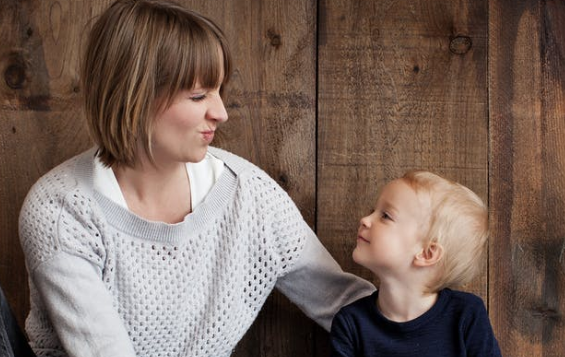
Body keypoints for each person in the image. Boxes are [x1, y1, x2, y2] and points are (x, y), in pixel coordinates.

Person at [17, 0, 375, 356]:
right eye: (199, 95)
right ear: (134, 97)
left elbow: (346, 303)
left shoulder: (249, 195)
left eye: (219, 91)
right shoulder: (60, 211)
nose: (220, 113)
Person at [330, 171, 502, 357]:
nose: (365, 220)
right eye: (373, 211)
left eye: (386, 216)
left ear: (427, 253)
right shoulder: (351, 323)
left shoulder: (466, 315)